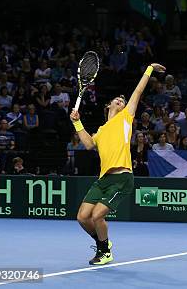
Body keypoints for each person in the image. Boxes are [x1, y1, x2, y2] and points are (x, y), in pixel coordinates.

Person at [71, 62, 165, 265]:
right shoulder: (101, 131)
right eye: (118, 100)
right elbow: (88, 144)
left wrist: (148, 69)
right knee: (82, 217)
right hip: (103, 180)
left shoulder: (125, 118)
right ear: (109, 106)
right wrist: (77, 122)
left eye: (123, 101)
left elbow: (138, 91)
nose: (122, 102)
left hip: (122, 178)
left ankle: (104, 252)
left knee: (97, 216)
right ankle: (103, 245)